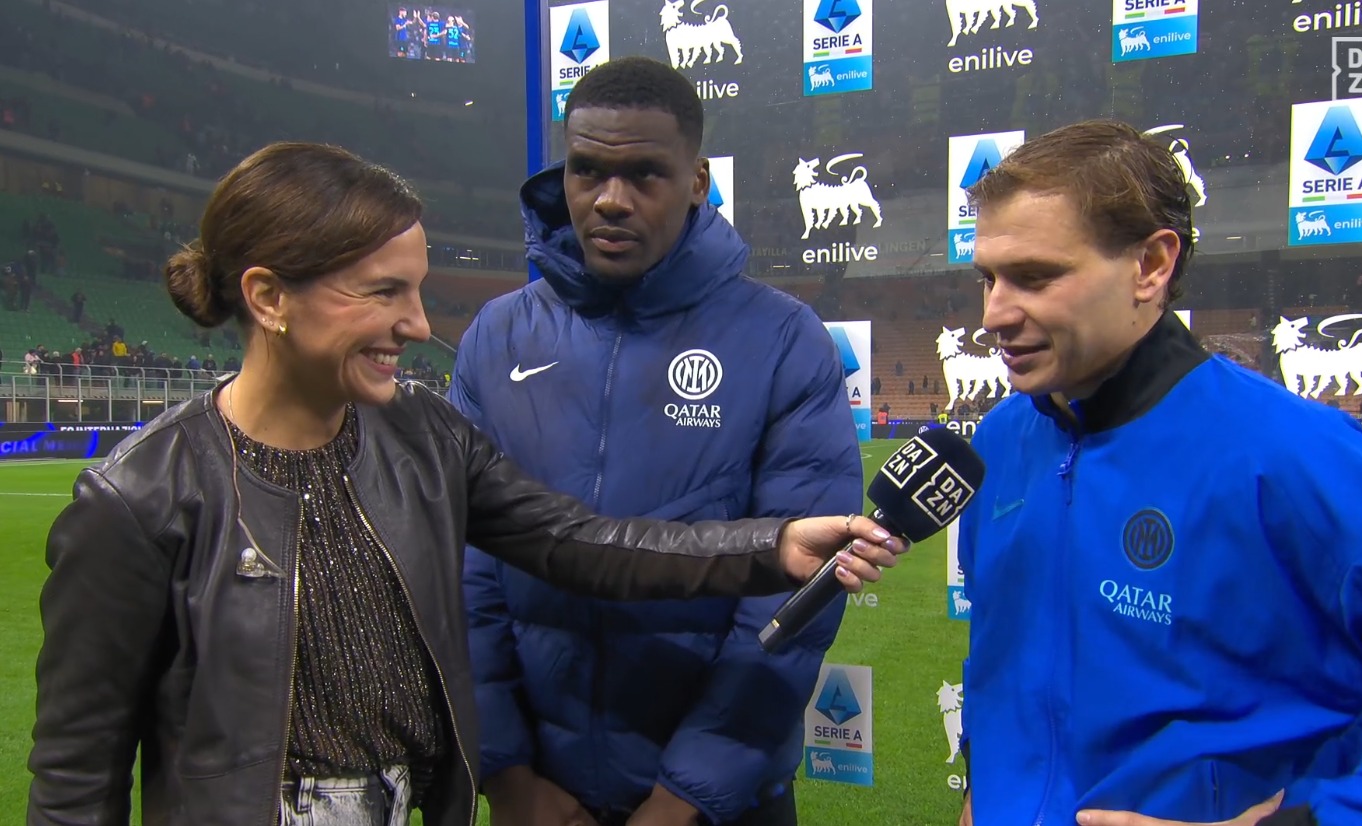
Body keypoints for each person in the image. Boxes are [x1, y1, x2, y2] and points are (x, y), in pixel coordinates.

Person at [24, 141, 907, 826]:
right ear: (268, 297)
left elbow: (579, 542)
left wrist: (770, 545)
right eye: (382, 293)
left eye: (416, 291)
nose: (416, 324)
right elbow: (74, 778)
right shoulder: (138, 500)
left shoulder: (420, 433)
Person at [952, 119, 1362, 826]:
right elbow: (1003, 669)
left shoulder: (1295, 456)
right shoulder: (999, 442)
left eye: (1035, 277)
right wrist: (983, 790)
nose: (993, 314)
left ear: (1150, 265)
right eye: (987, 278)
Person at [450, 56, 861, 826]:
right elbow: (466, 570)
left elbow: (792, 601)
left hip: (719, 807)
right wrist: (505, 773)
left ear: (697, 181)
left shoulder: (782, 339)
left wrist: (688, 795)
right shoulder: (498, 336)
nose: (611, 199)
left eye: (644, 174)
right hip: (542, 799)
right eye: (587, 170)